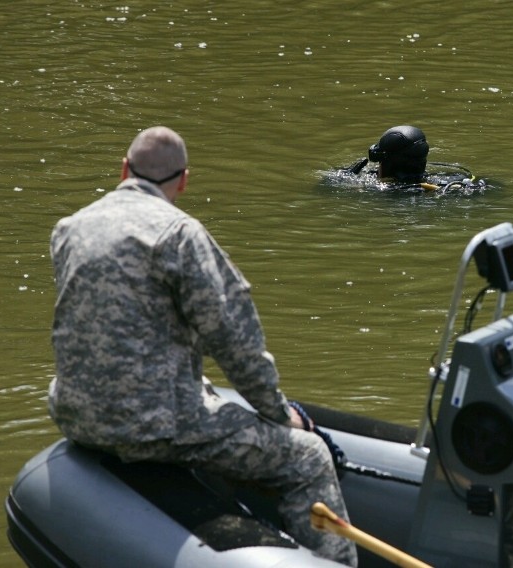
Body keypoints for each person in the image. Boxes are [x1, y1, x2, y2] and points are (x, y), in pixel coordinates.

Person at [48, 126, 358, 567]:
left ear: (123, 169)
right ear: (184, 180)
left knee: (205, 388)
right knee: (309, 458)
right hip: (151, 425)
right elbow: (235, 340)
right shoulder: (179, 234)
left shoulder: (69, 228)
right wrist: (279, 414)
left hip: (73, 415)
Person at [337, 124, 486, 195]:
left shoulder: (371, 190)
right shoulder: (442, 185)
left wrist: (343, 177)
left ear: (383, 160)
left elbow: (322, 193)